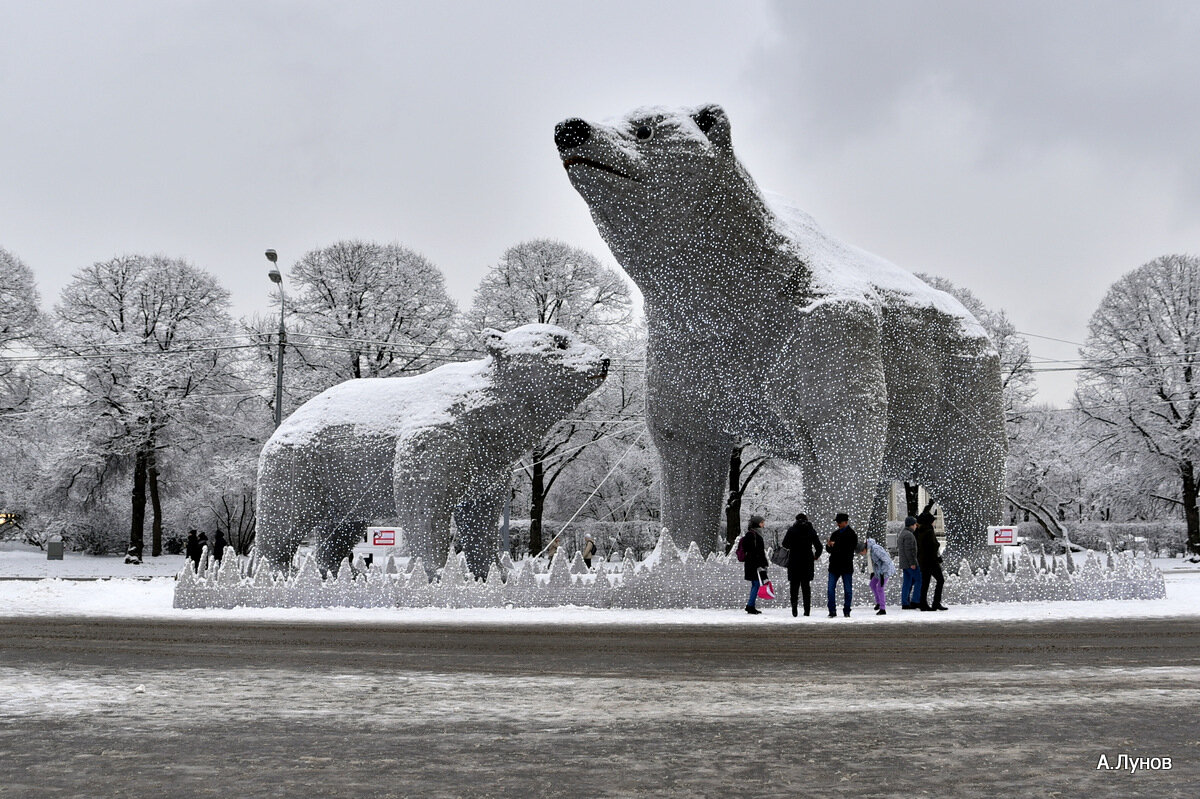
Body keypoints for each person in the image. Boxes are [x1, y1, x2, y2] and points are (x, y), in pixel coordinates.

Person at [780, 512, 823, 617]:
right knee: (806, 587)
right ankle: (807, 611)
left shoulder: (792, 530)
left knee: (794, 586)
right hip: (807, 561)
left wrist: (793, 545)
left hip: (794, 560)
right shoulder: (810, 530)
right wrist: (816, 555)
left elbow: (784, 544)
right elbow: (819, 546)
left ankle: (794, 609)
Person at [825, 513, 858, 617]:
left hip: (845, 565)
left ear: (845, 522)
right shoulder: (835, 534)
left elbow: (848, 550)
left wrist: (834, 546)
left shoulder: (852, 534)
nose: (837, 524)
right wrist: (829, 546)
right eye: (837, 522)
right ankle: (832, 610)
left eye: (839, 522)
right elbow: (830, 550)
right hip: (835, 565)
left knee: (847, 590)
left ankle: (846, 610)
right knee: (831, 589)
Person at [916, 509, 948, 611]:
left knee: (925, 583)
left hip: (923, 561)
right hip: (931, 562)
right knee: (940, 580)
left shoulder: (921, 531)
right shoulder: (929, 532)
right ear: (929, 522)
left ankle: (923, 603)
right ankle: (935, 602)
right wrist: (937, 559)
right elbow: (932, 548)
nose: (934, 522)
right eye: (933, 520)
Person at [858, 537, 896, 615]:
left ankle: (883, 609)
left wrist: (882, 574)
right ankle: (879, 603)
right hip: (878, 571)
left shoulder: (876, 549)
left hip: (885, 571)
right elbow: (872, 562)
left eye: (861, 553)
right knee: (872, 584)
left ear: (863, 549)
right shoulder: (869, 550)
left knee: (880, 588)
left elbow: (886, 560)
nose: (861, 554)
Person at [742, 515, 769, 615]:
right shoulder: (753, 535)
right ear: (757, 523)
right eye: (761, 522)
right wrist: (761, 563)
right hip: (754, 564)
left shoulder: (753, 534)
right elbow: (755, 551)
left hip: (753, 563)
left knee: (755, 584)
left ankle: (750, 605)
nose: (763, 524)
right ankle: (750, 606)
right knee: (756, 584)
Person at [897, 516, 922, 609]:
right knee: (919, 580)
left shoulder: (902, 534)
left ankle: (905, 602)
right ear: (911, 525)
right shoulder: (909, 535)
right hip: (909, 563)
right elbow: (910, 551)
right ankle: (915, 600)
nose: (916, 526)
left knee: (907, 582)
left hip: (904, 563)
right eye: (915, 524)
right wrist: (913, 563)